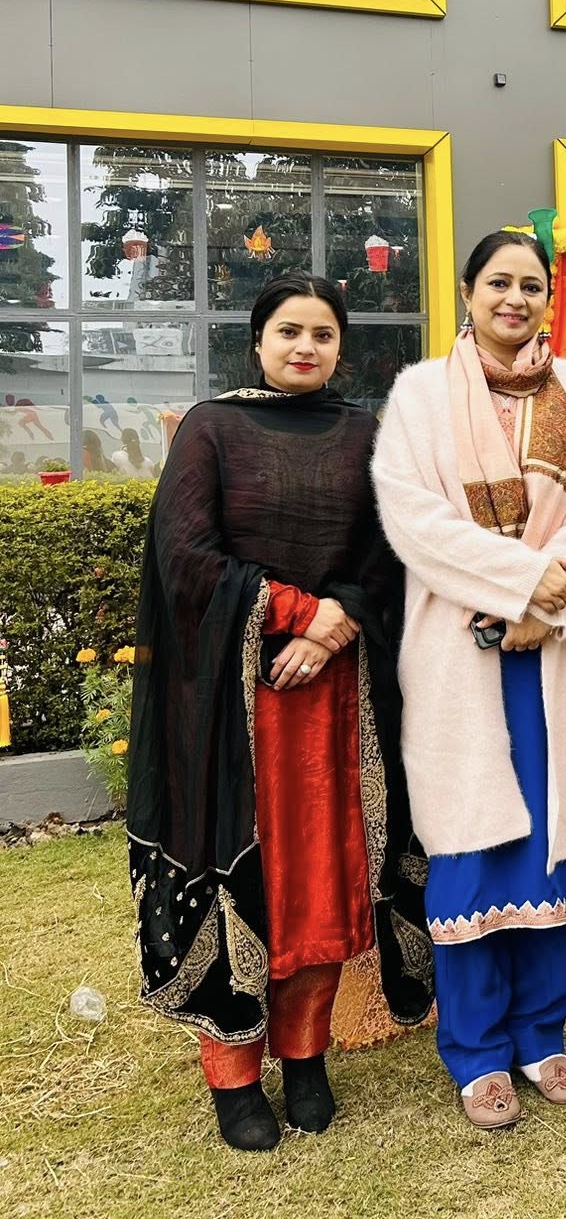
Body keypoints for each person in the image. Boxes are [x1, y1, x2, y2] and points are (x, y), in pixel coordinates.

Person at [127, 274, 432, 1153]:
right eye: (289, 331)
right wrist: (297, 614)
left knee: (328, 875)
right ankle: (233, 1073)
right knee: (247, 872)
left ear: (341, 348)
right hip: (236, 704)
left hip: (338, 701)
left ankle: (305, 1056)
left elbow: (392, 551)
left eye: (323, 334)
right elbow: (184, 554)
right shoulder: (211, 429)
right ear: (257, 341)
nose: (306, 347)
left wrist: (337, 627)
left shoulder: (367, 435)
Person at [373, 232, 566, 1131]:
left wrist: (546, 605)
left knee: (562, 842)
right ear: (468, 292)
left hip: (558, 645)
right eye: (499, 283)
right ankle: (477, 1051)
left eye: (531, 285)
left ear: (549, 298)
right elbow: (414, 518)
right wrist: (519, 585)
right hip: (460, 650)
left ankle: (542, 1036)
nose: (515, 299)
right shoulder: (419, 395)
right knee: (474, 847)